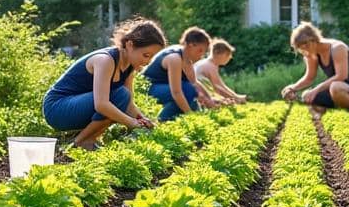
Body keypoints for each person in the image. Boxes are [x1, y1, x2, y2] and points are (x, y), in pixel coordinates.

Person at [43, 18, 164, 150]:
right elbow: (101, 105)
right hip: (57, 108)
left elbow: (128, 104)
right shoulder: (106, 60)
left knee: (123, 97)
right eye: (146, 55)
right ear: (130, 45)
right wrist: (132, 122)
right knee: (120, 95)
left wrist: (143, 119)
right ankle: (80, 142)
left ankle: (88, 140)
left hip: (78, 106)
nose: (148, 61)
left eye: (152, 57)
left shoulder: (129, 66)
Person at [279, 22, 349, 112]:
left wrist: (316, 90)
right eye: (301, 49)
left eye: (305, 47)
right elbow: (309, 78)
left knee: (335, 87)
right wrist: (292, 88)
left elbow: (341, 76)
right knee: (306, 95)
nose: (304, 52)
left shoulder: (337, 48)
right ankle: (339, 111)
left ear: (313, 40)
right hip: (335, 90)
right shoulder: (311, 53)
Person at [145, 27, 219, 121]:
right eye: (200, 50)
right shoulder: (174, 58)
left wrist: (210, 100)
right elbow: (176, 92)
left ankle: (175, 122)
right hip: (148, 88)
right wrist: (190, 115)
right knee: (187, 91)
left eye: (203, 52)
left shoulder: (187, 59)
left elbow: (194, 83)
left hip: (164, 88)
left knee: (191, 98)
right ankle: (160, 122)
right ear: (191, 45)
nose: (201, 56)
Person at [195, 38, 248, 104]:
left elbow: (220, 85)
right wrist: (236, 99)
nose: (229, 58)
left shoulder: (206, 63)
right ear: (219, 54)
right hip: (200, 97)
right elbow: (217, 88)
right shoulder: (210, 66)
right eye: (227, 55)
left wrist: (236, 96)